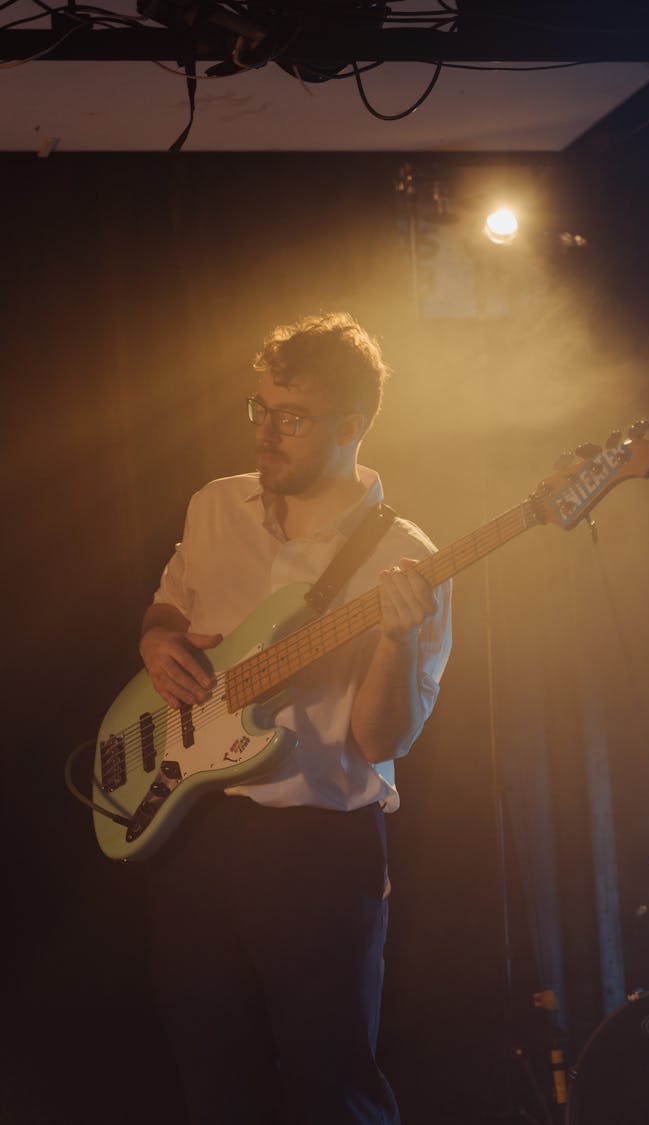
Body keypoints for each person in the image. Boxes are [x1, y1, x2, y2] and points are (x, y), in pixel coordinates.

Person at [138, 311, 452, 1125]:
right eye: (261, 408)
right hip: (195, 831)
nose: (266, 432)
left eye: (292, 417)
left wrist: (397, 635)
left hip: (320, 853)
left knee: (331, 1093)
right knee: (214, 1086)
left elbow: (381, 741)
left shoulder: (404, 557)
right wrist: (155, 636)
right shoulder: (215, 504)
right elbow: (171, 600)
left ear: (351, 427)